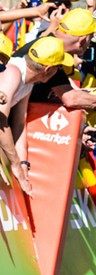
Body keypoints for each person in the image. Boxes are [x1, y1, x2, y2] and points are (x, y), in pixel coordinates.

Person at [0, 36, 73, 196]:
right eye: (59, 67)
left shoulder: (29, 81)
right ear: (49, 69)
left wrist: (23, 163)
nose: (59, 72)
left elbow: (19, 123)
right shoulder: (14, 73)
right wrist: (15, 164)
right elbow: (1, 121)